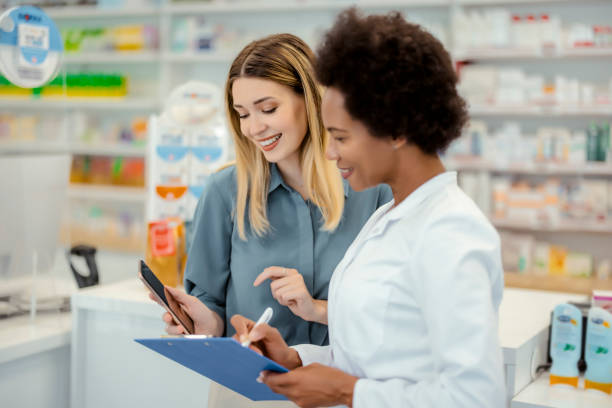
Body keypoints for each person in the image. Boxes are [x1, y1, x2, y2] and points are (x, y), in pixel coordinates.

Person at [230, 9, 506, 408]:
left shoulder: (451, 232)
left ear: (396, 130)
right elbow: (375, 356)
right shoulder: (391, 216)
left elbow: (477, 397)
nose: (328, 151)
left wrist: (345, 392)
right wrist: (295, 358)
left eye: (341, 137)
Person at [154, 33, 391, 406]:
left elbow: (391, 313)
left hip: (341, 390)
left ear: (309, 102)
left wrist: (320, 310)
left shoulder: (372, 190)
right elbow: (214, 311)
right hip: (250, 394)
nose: (253, 128)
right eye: (242, 114)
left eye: (267, 109)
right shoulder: (224, 192)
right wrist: (203, 322)